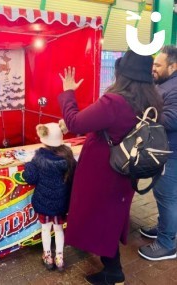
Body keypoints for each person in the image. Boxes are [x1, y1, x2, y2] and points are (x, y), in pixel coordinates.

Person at [58, 50, 163, 285]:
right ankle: (111, 267)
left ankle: (114, 272)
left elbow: (75, 122)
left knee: (97, 215)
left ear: (122, 74)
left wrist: (68, 92)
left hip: (102, 171)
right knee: (112, 216)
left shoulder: (115, 101)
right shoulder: (152, 99)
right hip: (126, 169)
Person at [138, 45, 177, 261]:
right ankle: (164, 228)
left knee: (167, 197)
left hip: (172, 153)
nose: (153, 68)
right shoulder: (165, 83)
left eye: (158, 65)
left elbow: (171, 119)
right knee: (163, 195)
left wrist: (144, 115)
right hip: (163, 150)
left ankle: (166, 244)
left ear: (173, 66)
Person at [22, 121, 76, 271]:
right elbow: (74, 177)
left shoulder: (38, 157)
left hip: (44, 203)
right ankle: (59, 257)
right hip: (61, 204)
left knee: (45, 229)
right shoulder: (68, 156)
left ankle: (47, 256)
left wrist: (28, 164)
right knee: (59, 229)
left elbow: (30, 178)